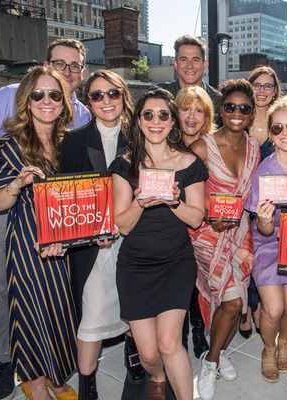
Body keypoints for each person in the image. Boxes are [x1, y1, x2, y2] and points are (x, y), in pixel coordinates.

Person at [0, 39, 90, 400]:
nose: (47, 102)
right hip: (25, 245)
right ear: (27, 100)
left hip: (61, 243)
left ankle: (57, 378)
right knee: (26, 313)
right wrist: (16, 183)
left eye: (55, 97)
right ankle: (35, 386)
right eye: (39, 95)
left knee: (59, 313)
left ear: (65, 102)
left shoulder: (69, 142)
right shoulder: (9, 144)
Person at [110, 87, 208, 400]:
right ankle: (158, 375)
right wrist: (139, 202)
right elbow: (122, 225)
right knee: (150, 353)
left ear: (172, 121)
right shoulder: (124, 165)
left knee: (169, 343)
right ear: (138, 121)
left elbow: (196, 219)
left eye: (163, 114)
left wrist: (175, 202)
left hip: (175, 263)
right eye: (148, 114)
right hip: (135, 266)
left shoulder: (190, 163)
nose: (156, 121)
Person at [59, 70, 134, 400]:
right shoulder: (74, 140)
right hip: (91, 243)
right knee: (91, 310)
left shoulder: (141, 135)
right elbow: (67, 196)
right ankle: (86, 381)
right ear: (87, 101)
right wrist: (92, 234)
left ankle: (136, 359)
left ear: (123, 96)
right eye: (96, 95)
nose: (106, 100)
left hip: (133, 239)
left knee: (135, 303)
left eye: (112, 93)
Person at [190, 79, 260, 400]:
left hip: (242, 232)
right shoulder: (203, 146)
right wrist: (207, 215)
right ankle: (211, 362)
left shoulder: (255, 148)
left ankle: (220, 349)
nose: (236, 113)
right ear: (221, 109)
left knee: (236, 300)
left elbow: (255, 192)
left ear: (251, 113)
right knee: (232, 301)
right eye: (230, 106)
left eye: (244, 108)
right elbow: (183, 192)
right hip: (207, 234)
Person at [244, 96, 287, 383]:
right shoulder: (264, 171)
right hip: (269, 244)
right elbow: (263, 229)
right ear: (270, 133)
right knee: (274, 308)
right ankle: (269, 347)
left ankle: (284, 341)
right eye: (278, 128)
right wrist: (266, 220)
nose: (285, 134)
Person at [238, 66, 282, 339]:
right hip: (242, 200)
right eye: (258, 85)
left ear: (275, 90)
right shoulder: (239, 117)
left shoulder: (282, 120)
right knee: (244, 254)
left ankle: (261, 304)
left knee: (264, 256)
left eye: (268, 85)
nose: (262, 90)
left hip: (273, 201)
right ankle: (246, 307)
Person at [174, 85, 215, 359]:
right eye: (186, 108)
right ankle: (180, 337)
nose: (192, 115)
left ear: (207, 116)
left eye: (199, 110)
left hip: (208, 223)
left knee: (199, 281)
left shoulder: (214, 144)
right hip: (174, 223)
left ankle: (199, 330)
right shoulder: (164, 141)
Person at [159, 35, 221, 124]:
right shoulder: (160, 95)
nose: (190, 66)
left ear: (204, 64)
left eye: (195, 60)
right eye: (183, 60)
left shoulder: (217, 100)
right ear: (176, 64)